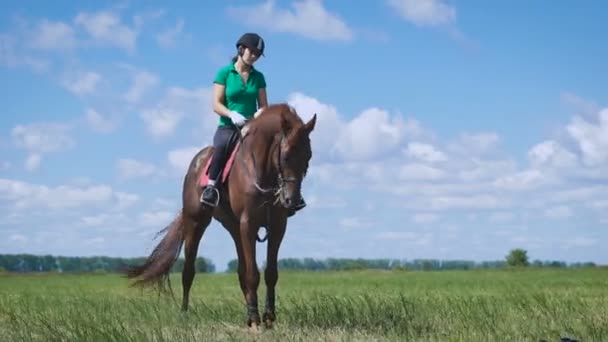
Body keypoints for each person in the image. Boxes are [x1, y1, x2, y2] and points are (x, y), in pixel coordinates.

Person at [200, 32, 306, 216]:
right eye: (253, 52)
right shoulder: (225, 73)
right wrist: (231, 114)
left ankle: (289, 191)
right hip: (228, 125)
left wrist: (257, 116)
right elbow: (216, 104)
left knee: (276, 150)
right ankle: (211, 188)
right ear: (241, 49)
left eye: (258, 54)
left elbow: (263, 105)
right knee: (221, 146)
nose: (255, 56)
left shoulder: (258, 77)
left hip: (252, 126)